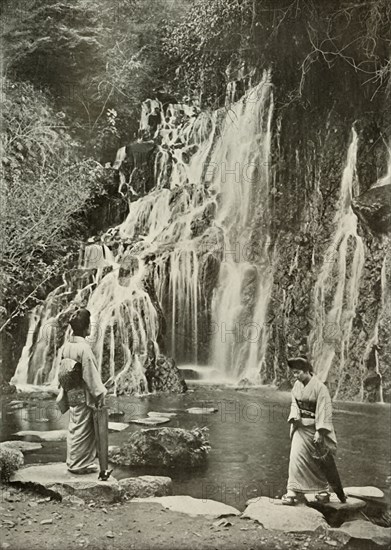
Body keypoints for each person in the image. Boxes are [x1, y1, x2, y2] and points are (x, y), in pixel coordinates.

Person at [56, 309, 107, 475]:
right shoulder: (84, 349)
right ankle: (78, 465)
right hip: (84, 394)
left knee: (75, 426)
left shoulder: (66, 346)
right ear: (86, 328)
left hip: (71, 391)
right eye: (89, 324)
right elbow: (90, 375)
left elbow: (63, 370)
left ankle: (74, 461)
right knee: (85, 429)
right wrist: (99, 394)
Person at [282, 357, 338, 505]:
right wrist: (295, 417)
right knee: (295, 458)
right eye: (293, 373)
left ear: (307, 371)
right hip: (300, 427)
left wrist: (320, 431)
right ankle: (291, 492)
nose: (295, 376)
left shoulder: (320, 388)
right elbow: (294, 403)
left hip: (315, 428)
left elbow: (325, 409)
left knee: (317, 461)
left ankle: (323, 490)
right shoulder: (297, 386)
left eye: (298, 372)